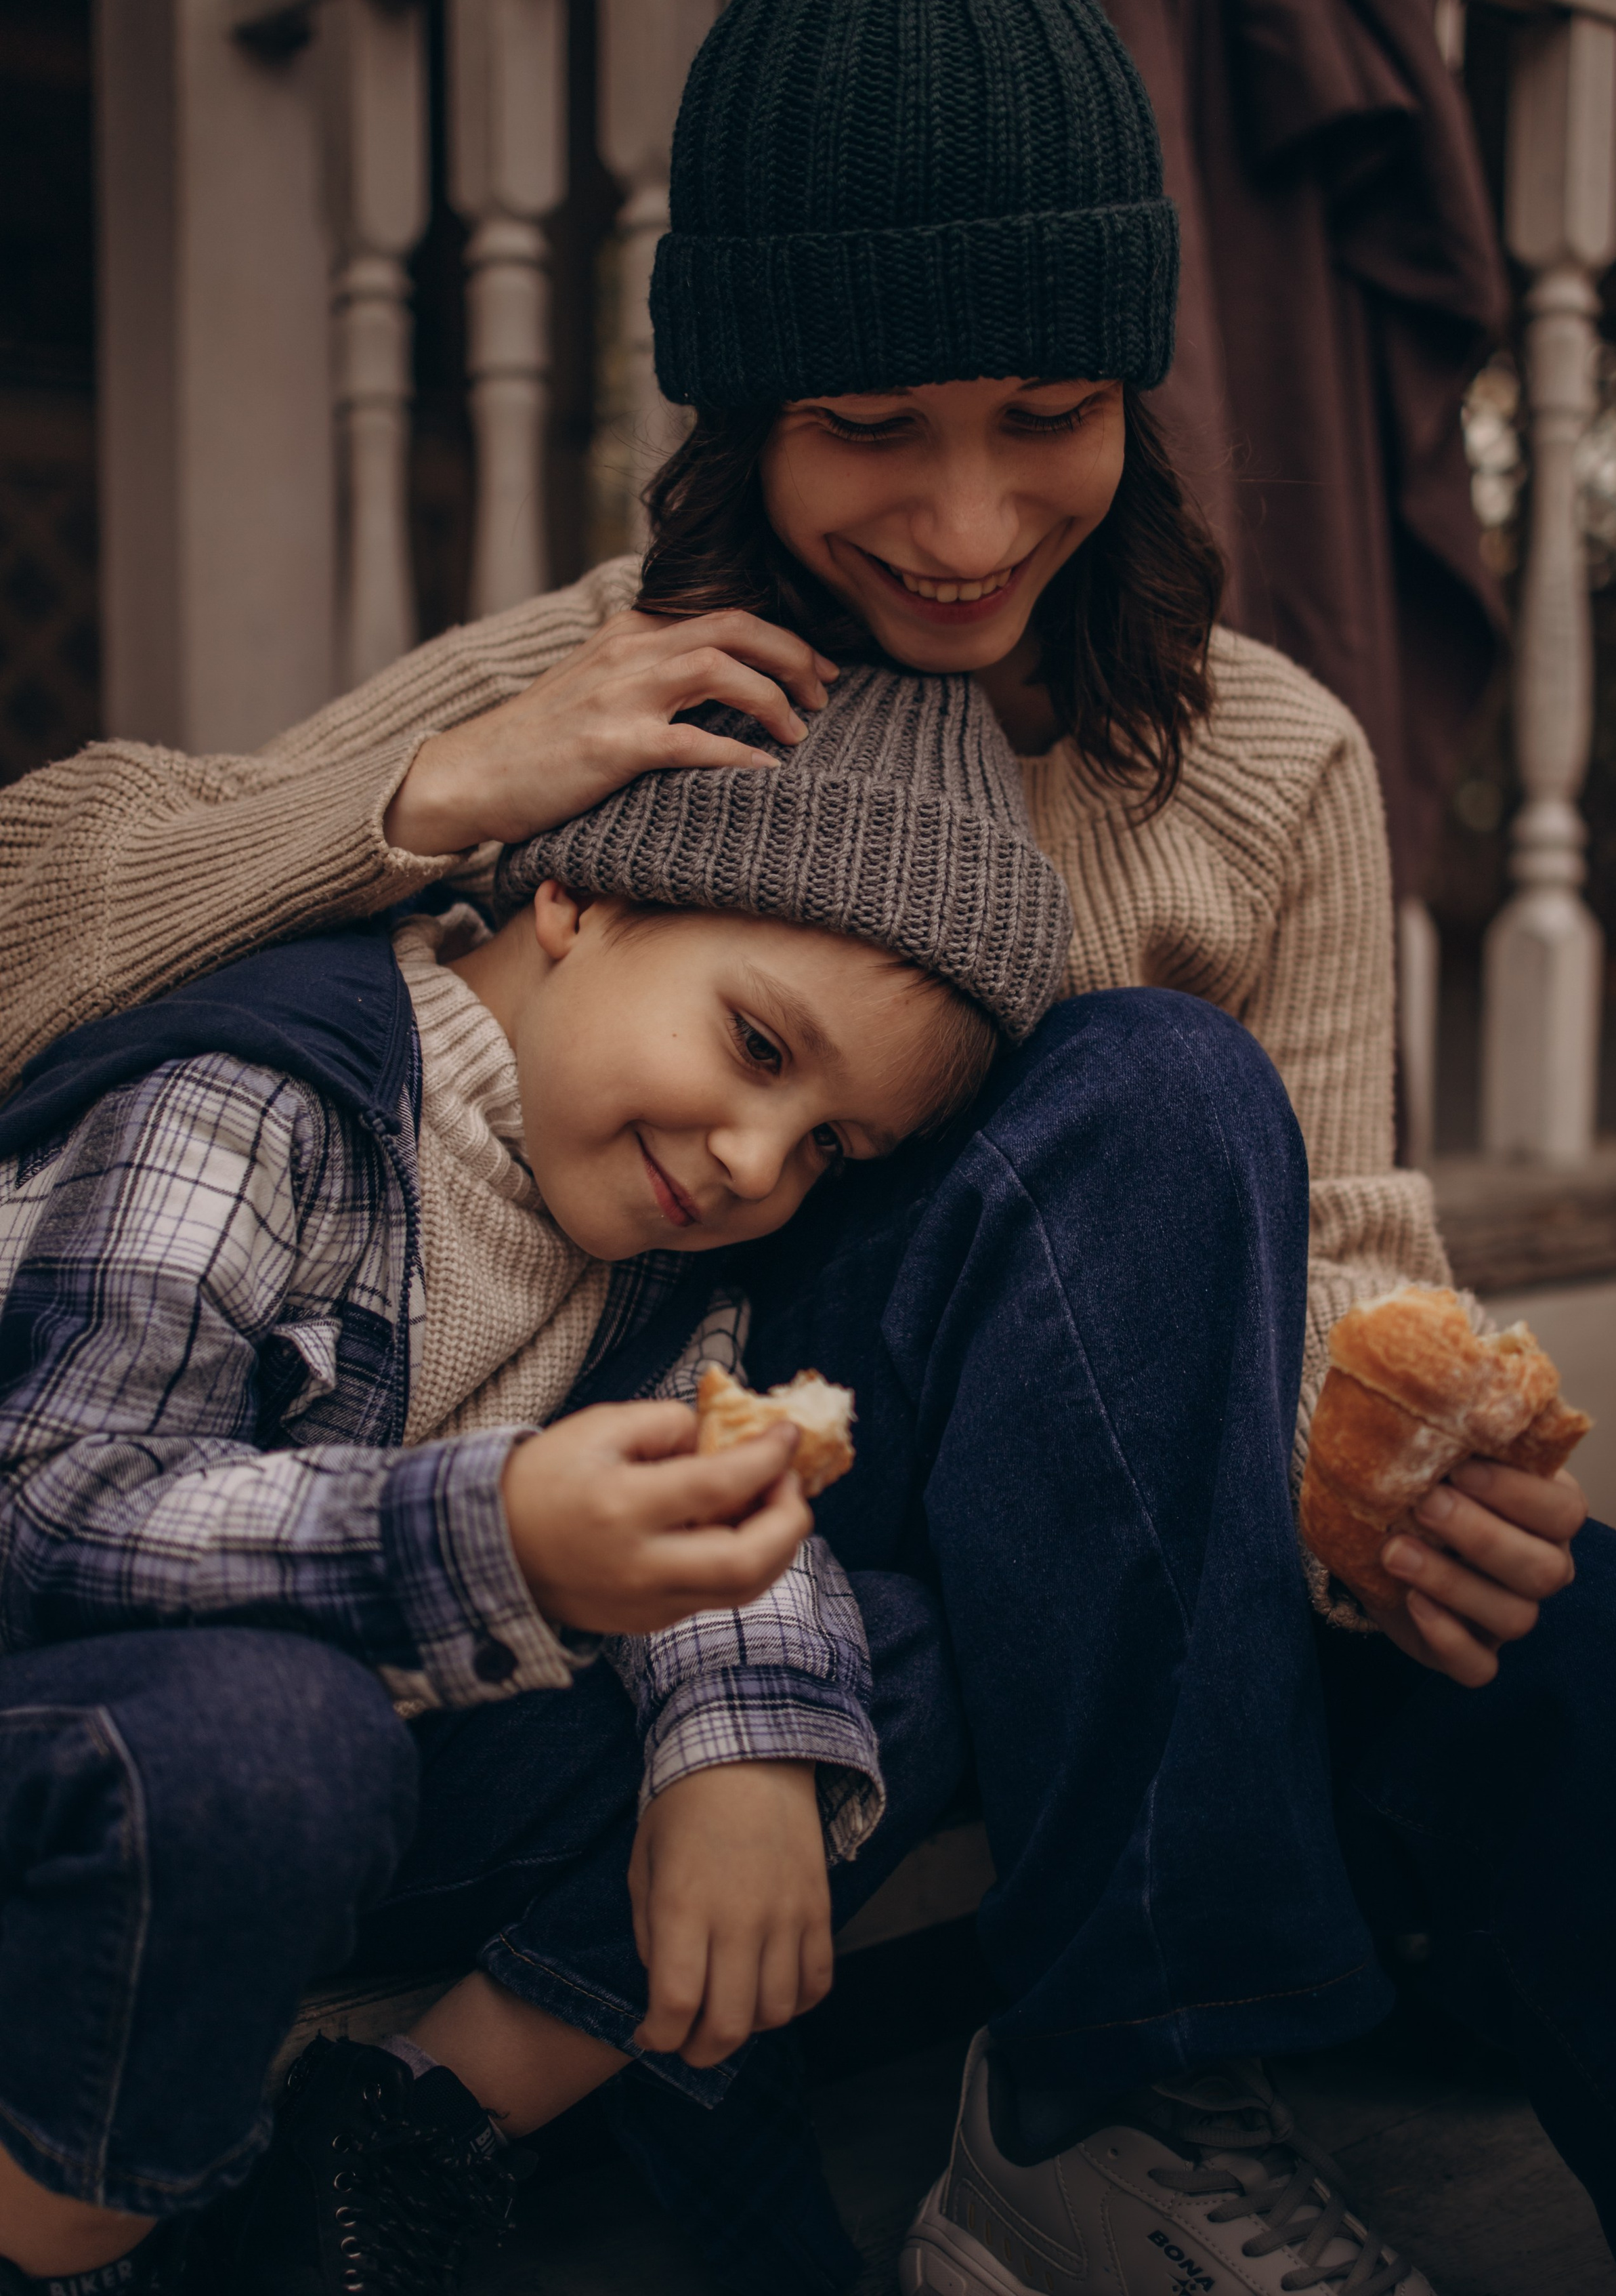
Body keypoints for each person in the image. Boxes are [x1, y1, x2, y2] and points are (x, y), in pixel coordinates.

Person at [1, 0, 1616, 2296]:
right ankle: (1113, 2094)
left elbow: (1353, 1245)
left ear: (1135, 394)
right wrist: (436, 782)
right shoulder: (614, 702)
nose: (959, 523)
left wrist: (1387, 1442)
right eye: (867, 431)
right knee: (1153, 1075)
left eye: (1045, 416)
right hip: (742, 1443)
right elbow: (43, 902)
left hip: (1132, 1484)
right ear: (743, 412)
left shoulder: (1270, 764)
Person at [0, 667, 1069, 2296]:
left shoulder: (640, 1239)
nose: (754, 1165)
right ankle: (68, 2239)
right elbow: (45, 1506)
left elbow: (723, 1515)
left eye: (831, 1148)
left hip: (358, 1803)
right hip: (99, 1770)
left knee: (878, 1662)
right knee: (282, 1737)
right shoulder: (260, 1100)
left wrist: (742, 1747)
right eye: (758, 1044)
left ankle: (393, 2134)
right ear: (574, 895)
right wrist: (493, 1537)